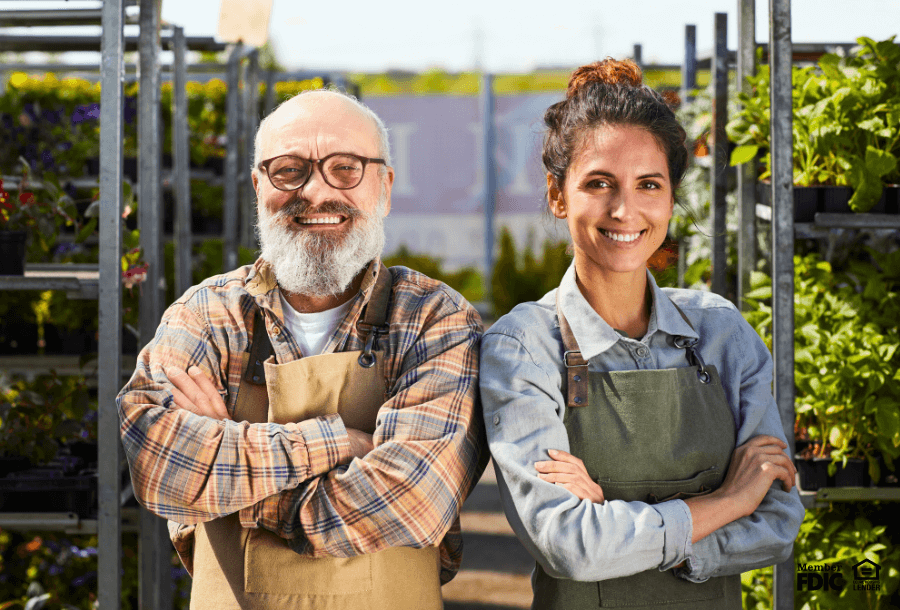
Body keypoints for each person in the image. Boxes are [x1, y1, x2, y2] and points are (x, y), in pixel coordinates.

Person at [117, 89, 486, 610]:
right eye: (289, 169)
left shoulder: (432, 319)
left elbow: (409, 502)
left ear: (384, 187)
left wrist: (227, 481)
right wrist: (340, 443)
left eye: (345, 168)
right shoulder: (208, 313)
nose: (314, 191)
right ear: (257, 187)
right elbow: (159, 466)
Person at [479, 59, 804, 610]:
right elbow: (570, 546)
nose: (624, 209)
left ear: (671, 198)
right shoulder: (524, 345)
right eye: (599, 183)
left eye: (648, 184)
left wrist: (620, 524)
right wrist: (728, 500)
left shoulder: (722, 333)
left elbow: (778, 520)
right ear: (559, 196)